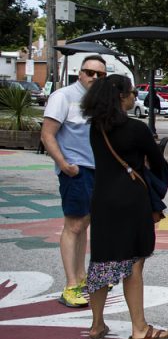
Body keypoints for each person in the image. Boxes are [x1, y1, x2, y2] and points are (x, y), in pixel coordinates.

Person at [80, 74, 168, 339]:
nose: (134, 96)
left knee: (101, 261)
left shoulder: (95, 127)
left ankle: (97, 324)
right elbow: (158, 163)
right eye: (131, 92)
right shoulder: (136, 129)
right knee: (133, 263)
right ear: (121, 96)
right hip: (131, 200)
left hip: (102, 199)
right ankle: (139, 328)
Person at [41, 54, 107, 308]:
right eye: (90, 72)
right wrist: (65, 165)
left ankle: (80, 278)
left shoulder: (97, 101)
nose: (94, 78)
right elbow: (47, 134)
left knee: (83, 225)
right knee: (74, 225)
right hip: (76, 172)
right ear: (80, 73)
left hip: (94, 171)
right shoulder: (63, 96)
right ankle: (70, 285)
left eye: (100, 74)